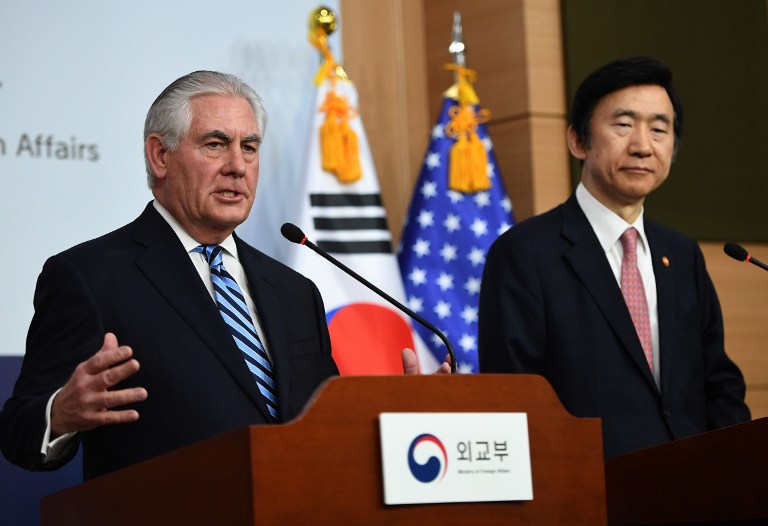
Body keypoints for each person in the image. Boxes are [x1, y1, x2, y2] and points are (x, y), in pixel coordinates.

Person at [0, 71, 445, 481]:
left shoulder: (294, 291)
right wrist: (59, 413)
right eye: (215, 144)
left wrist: (394, 416)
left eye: (249, 147)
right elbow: (20, 431)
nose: (238, 165)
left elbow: (317, 424)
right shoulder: (90, 277)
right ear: (160, 156)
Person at [478, 56, 751, 458]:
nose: (642, 146)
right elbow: (515, 397)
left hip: (693, 491)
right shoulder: (524, 253)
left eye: (659, 129)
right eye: (623, 126)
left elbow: (718, 382)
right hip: (588, 494)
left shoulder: (681, 254)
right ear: (578, 141)